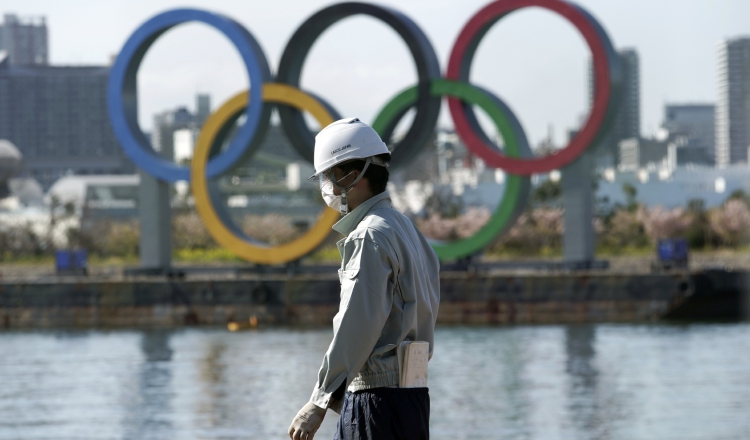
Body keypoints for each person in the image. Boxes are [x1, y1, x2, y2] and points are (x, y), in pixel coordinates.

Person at [288, 118, 441, 440]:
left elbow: (357, 323)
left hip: (376, 400)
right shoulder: (405, 229)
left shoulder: (368, 235)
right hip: (413, 397)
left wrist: (319, 400)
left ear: (350, 175)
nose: (326, 186)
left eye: (328, 176)